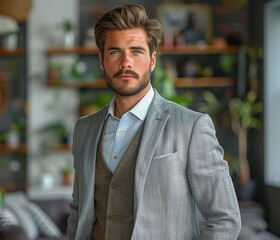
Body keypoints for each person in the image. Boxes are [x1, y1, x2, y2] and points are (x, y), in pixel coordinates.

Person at [67, 4, 241, 240]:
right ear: (101, 60)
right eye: (115, 52)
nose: (126, 62)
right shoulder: (84, 129)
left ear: (152, 60)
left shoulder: (191, 127)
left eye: (137, 51)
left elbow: (225, 218)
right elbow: (79, 210)